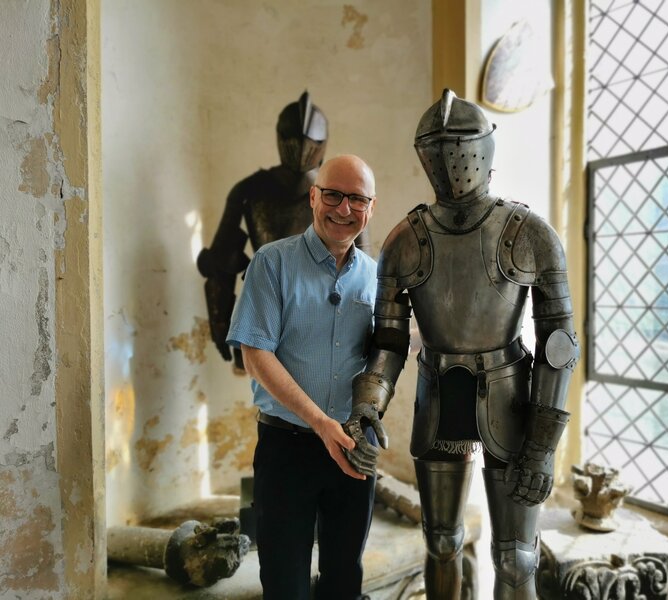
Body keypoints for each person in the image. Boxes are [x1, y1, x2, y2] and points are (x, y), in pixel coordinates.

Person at [343, 90, 579, 599]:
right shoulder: (404, 240)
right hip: (438, 394)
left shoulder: (528, 233)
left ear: (484, 149)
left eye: (461, 147)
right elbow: (389, 342)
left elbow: (558, 344)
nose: (453, 164)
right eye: (440, 149)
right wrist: (368, 404)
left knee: (515, 557)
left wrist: (542, 446)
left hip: (510, 398)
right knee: (441, 541)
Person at [227, 154, 379, 600]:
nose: (344, 209)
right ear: (313, 197)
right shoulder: (272, 262)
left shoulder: (377, 276)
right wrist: (320, 422)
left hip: (354, 445)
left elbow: (386, 347)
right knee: (285, 584)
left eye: (357, 199)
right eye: (333, 195)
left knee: (343, 581)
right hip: (287, 449)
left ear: (370, 208)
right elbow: (256, 355)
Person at [198, 91, 369, 371]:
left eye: (310, 143)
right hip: (263, 303)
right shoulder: (249, 191)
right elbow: (221, 264)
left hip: (325, 309)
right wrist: (220, 326)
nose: (302, 149)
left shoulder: (335, 192)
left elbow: (360, 266)